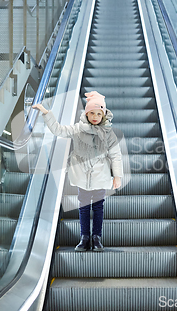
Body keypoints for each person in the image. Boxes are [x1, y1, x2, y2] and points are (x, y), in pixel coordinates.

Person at [32, 91, 123, 251]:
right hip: (82, 174)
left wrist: (117, 176)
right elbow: (59, 130)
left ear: (104, 115)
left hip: (100, 175)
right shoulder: (78, 129)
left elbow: (116, 156)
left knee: (98, 206)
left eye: (98, 113)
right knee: (83, 206)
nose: (95, 116)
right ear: (86, 114)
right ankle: (84, 237)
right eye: (91, 113)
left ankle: (96, 238)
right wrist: (46, 113)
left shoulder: (108, 134)